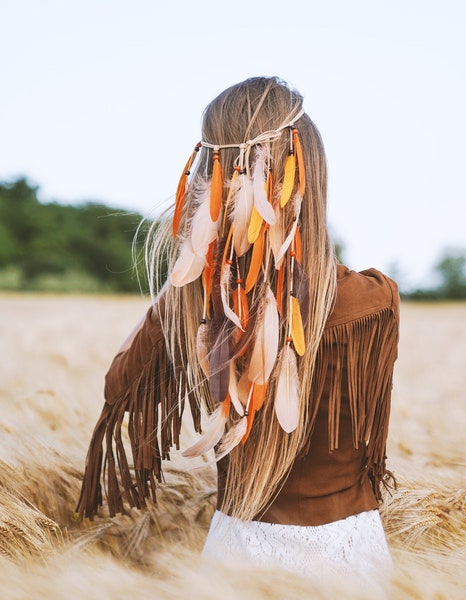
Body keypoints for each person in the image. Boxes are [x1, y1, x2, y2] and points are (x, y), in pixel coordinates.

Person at [77, 76, 400, 583]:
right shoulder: (373, 300)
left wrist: (195, 263)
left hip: (237, 557)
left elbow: (119, 387)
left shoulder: (191, 309)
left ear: (212, 174)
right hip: (348, 558)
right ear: (309, 177)